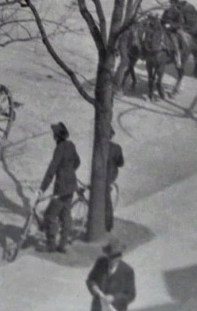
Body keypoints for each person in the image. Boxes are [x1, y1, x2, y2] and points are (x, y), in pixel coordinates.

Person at [39, 122, 81, 253]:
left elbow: (51, 170)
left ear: (56, 136)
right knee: (65, 214)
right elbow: (77, 162)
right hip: (71, 186)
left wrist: (42, 188)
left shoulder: (59, 149)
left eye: (54, 134)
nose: (53, 136)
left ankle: (51, 245)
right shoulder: (71, 145)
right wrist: (69, 171)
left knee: (49, 215)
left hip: (61, 189)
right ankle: (63, 244)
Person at [86, 239, 137, 311]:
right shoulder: (100, 263)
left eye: (115, 258)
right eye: (110, 257)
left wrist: (114, 298)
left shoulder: (127, 271)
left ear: (120, 257)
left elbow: (131, 295)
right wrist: (93, 287)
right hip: (98, 307)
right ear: (107, 255)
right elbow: (90, 279)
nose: (112, 261)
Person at [105, 127, 124, 233]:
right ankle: (108, 224)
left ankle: (107, 223)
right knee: (107, 199)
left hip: (101, 176)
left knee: (105, 199)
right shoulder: (116, 148)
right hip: (111, 176)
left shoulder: (99, 146)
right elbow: (121, 163)